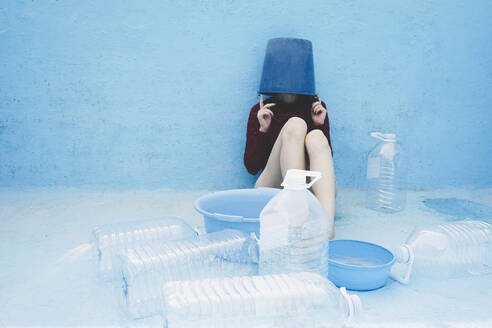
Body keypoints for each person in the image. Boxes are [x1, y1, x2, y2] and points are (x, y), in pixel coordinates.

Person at [243, 38, 337, 239]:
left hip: (312, 192)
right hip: (273, 190)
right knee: (295, 124)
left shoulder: (316, 109)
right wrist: (263, 129)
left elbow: (326, 163)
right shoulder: (260, 111)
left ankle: (327, 229)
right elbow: (251, 166)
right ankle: (298, 218)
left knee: (316, 136)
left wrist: (320, 125)